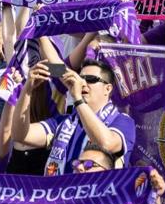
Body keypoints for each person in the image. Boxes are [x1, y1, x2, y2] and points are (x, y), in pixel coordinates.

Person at [9, 59, 137, 175]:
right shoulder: (64, 121)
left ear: (108, 89)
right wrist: (27, 91)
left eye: (91, 79)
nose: (82, 83)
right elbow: (20, 135)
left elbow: (107, 143)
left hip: (96, 198)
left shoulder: (122, 121)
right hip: (61, 197)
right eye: (80, 79)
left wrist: (77, 98)